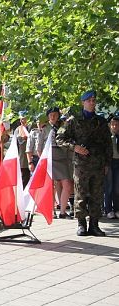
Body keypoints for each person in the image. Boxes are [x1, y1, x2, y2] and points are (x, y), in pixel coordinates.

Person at [56, 90, 112, 236]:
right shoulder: (73, 120)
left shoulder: (101, 121)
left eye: (94, 100)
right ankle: (81, 224)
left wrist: (107, 163)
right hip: (81, 165)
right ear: (83, 102)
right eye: (89, 100)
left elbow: (108, 144)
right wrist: (75, 147)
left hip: (98, 164)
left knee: (97, 195)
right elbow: (60, 138)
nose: (92, 103)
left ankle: (94, 225)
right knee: (81, 194)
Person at [42, 106, 74, 219]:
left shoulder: (63, 127)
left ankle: (62, 211)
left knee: (67, 184)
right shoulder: (44, 129)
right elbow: (40, 146)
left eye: (55, 114)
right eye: (51, 115)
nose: (53, 117)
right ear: (48, 117)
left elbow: (68, 140)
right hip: (50, 158)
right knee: (51, 186)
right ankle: (51, 211)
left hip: (63, 157)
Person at [104, 114, 119, 219]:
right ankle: (108, 209)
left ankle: (117, 209)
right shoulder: (106, 136)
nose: (115, 126)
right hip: (109, 163)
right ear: (109, 125)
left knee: (117, 188)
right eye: (113, 124)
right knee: (108, 187)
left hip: (118, 163)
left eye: (117, 125)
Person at [14, 111, 31, 186]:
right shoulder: (18, 130)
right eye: (20, 119)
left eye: (23, 118)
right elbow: (15, 145)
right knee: (24, 179)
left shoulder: (32, 128)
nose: (21, 121)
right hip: (23, 159)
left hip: (33, 158)